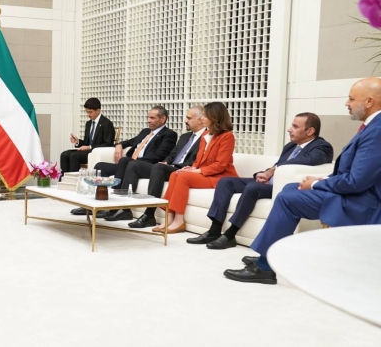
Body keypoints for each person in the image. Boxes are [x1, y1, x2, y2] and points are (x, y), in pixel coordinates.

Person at [225, 78, 381, 285]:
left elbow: (356, 182)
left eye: (351, 99)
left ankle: (264, 266)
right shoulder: (372, 127)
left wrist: (315, 184)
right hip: (354, 194)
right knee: (291, 188)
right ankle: (270, 255)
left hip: (362, 202)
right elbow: (357, 173)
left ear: (369, 101)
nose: (347, 103)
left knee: (288, 198)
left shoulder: (377, 130)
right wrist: (321, 178)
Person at [188, 113, 334, 249]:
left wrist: (272, 171)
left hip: (283, 187)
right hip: (270, 181)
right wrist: (264, 173)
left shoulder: (322, 147)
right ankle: (214, 229)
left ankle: (230, 234)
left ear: (310, 131)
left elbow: (308, 160)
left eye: (295, 127)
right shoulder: (290, 146)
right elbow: (278, 165)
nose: (289, 129)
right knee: (226, 182)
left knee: (253, 187)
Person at [154, 102, 238, 234]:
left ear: (214, 117)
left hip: (220, 177)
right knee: (175, 174)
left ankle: (179, 221)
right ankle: (169, 217)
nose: (202, 118)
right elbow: (199, 160)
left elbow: (220, 165)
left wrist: (197, 171)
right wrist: (192, 168)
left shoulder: (227, 136)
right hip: (205, 173)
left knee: (183, 177)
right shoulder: (205, 135)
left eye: (205, 116)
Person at [119, 106, 206, 228]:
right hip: (170, 167)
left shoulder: (207, 138)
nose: (185, 121)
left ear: (200, 120)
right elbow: (173, 154)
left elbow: (197, 160)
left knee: (158, 167)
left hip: (184, 169)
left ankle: (149, 215)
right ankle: (123, 208)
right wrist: (166, 161)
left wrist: (171, 165)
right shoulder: (185, 136)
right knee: (133, 164)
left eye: (189, 118)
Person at [86, 106, 177, 220]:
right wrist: (119, 145)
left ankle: (116, 207)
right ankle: (96, 204)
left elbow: (159, 155)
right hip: (129, 164)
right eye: (148, 117)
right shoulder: (145, 132)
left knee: (126, 161)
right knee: (100, 166)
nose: (148, 120)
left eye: (152, 118)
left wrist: (134, 162)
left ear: (163, 119)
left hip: (146, 166)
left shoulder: (169, 134)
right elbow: (131, 141)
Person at [59, 98, 115, 175]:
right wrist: (78, 142)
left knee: (74, 156)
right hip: (88, 151)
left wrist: (89, 147)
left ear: (98, 110)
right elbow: (86, 143)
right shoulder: (88, 124)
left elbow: (108, 144)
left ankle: (74, 180)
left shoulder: (106, 123)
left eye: (90, 112)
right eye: (87, 112)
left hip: (97, 151)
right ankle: (64, 179)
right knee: (64, 154)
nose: (88, 115)